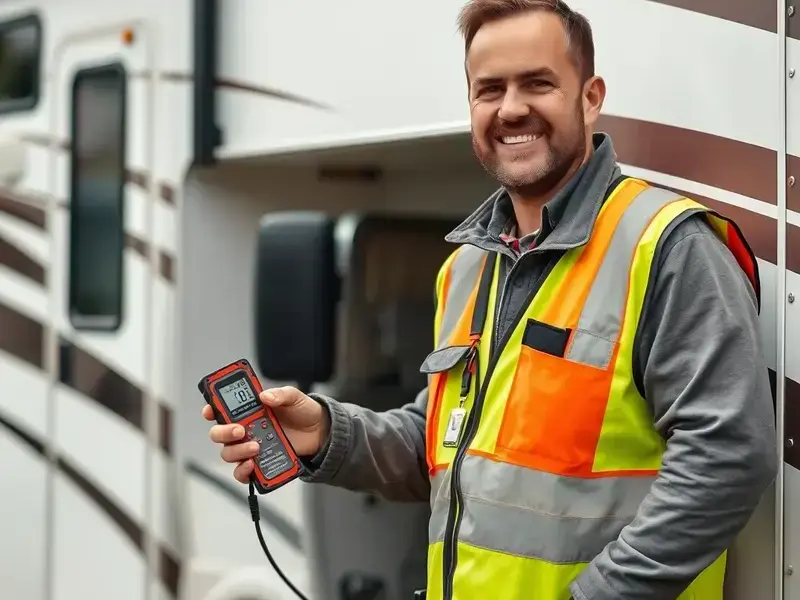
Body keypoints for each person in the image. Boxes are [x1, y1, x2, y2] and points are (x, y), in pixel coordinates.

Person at [203, 0, 778, 598]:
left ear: (590, 97)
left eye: (538, 83)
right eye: (489, 89)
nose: (511, 109)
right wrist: (325, 432)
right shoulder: (466, 269)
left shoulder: (667, 247)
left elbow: (729, 456)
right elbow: (446, 443)